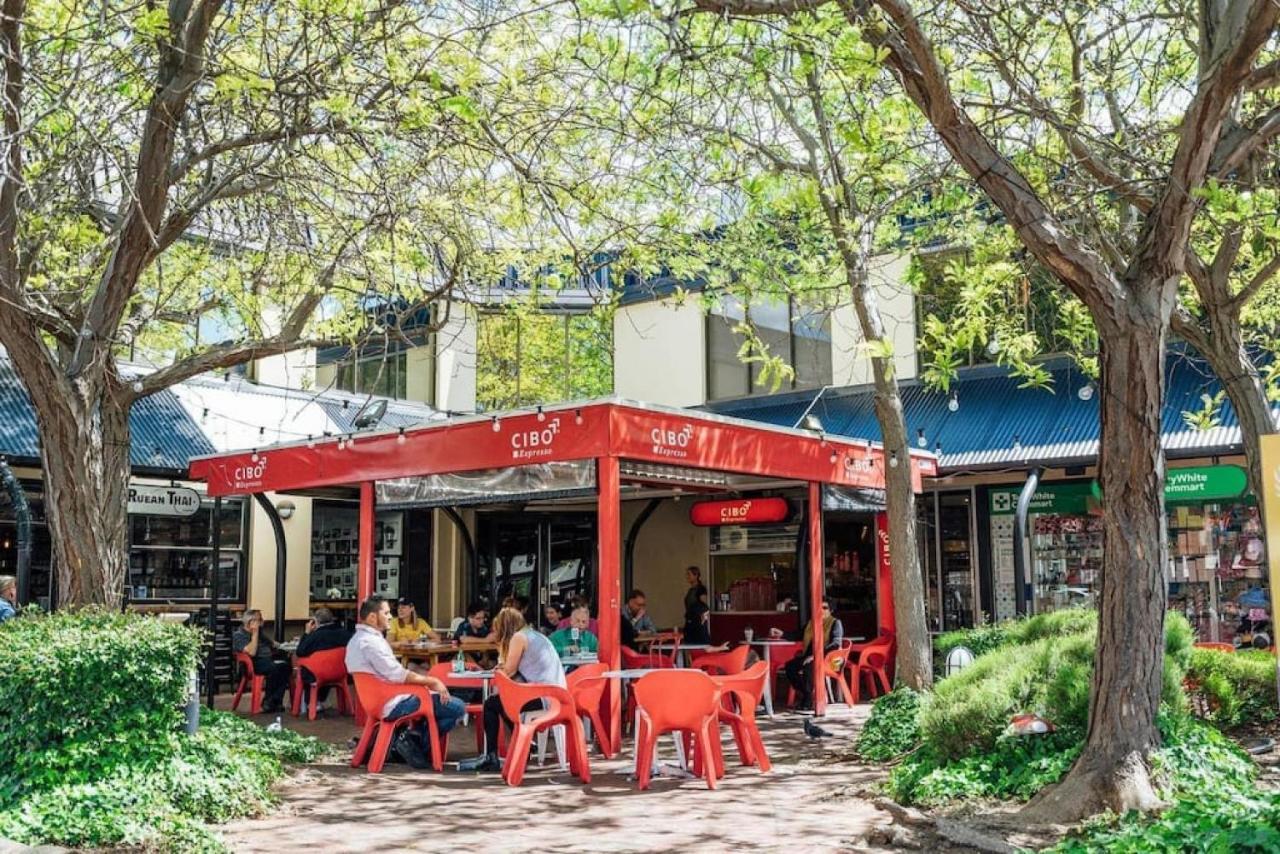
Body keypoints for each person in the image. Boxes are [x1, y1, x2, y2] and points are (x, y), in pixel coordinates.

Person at [346, 597, 466, 769]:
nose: (390, 617)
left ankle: (410, 741)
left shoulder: (355, 641)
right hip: (392, 702)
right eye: (386, 613)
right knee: (457, 707)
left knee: (442, 707)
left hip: (376, 701)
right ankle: (410, 742)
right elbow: (397, 674)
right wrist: (432, 681)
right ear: (372, 617)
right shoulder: (371, 643)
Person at [459, 606, 566, 773]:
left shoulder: (518, 637)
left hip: (543, 698)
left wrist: (499, 657)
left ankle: (492, 756)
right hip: (556, 696)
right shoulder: (534, 634)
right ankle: (526, 743)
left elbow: (508, 671)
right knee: (504, 703)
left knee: (491, 704)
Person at [784, 600, 845, 710]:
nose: (821, 610)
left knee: (809, 667)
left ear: (831, 610)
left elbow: (836, 644)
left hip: (829, 659)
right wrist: (782, 634)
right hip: (808, 656)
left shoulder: (836, 623)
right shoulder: (811, 623)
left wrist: (816, 656)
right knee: (790, 666)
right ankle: (805, 693)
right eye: (819, 607)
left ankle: (807, 701)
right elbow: (797, 635)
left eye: (825, 607)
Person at [232, 610, 292, 714]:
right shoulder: (239, 635)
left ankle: (274, 701)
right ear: (250, 622)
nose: (262, 622)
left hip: (268, 660)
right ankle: (269, 702)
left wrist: (288, 646)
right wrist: (254, 634)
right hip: (254, 663)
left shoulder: (261, 633)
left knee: (286, 666)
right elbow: (252, 653)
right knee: (276, 668)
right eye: (259, 620)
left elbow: (273, 644)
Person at [295, 607, 353, 713]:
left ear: (315, 622)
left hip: (316, 674)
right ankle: (320, 700)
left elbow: (300, 651)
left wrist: (307, 633)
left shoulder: (315, 637)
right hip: (341, 673)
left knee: (308, 669)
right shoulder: (345, 634)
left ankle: (310, 703)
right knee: (325, 668)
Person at [682, 566, 711, 645]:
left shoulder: (700, 589)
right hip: (690, 621)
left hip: (697, 622)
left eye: (689, 574)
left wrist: (703, 621)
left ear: (696, 576)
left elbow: (705, 606)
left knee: (698, 643)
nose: (687, 577)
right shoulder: (690, 590)